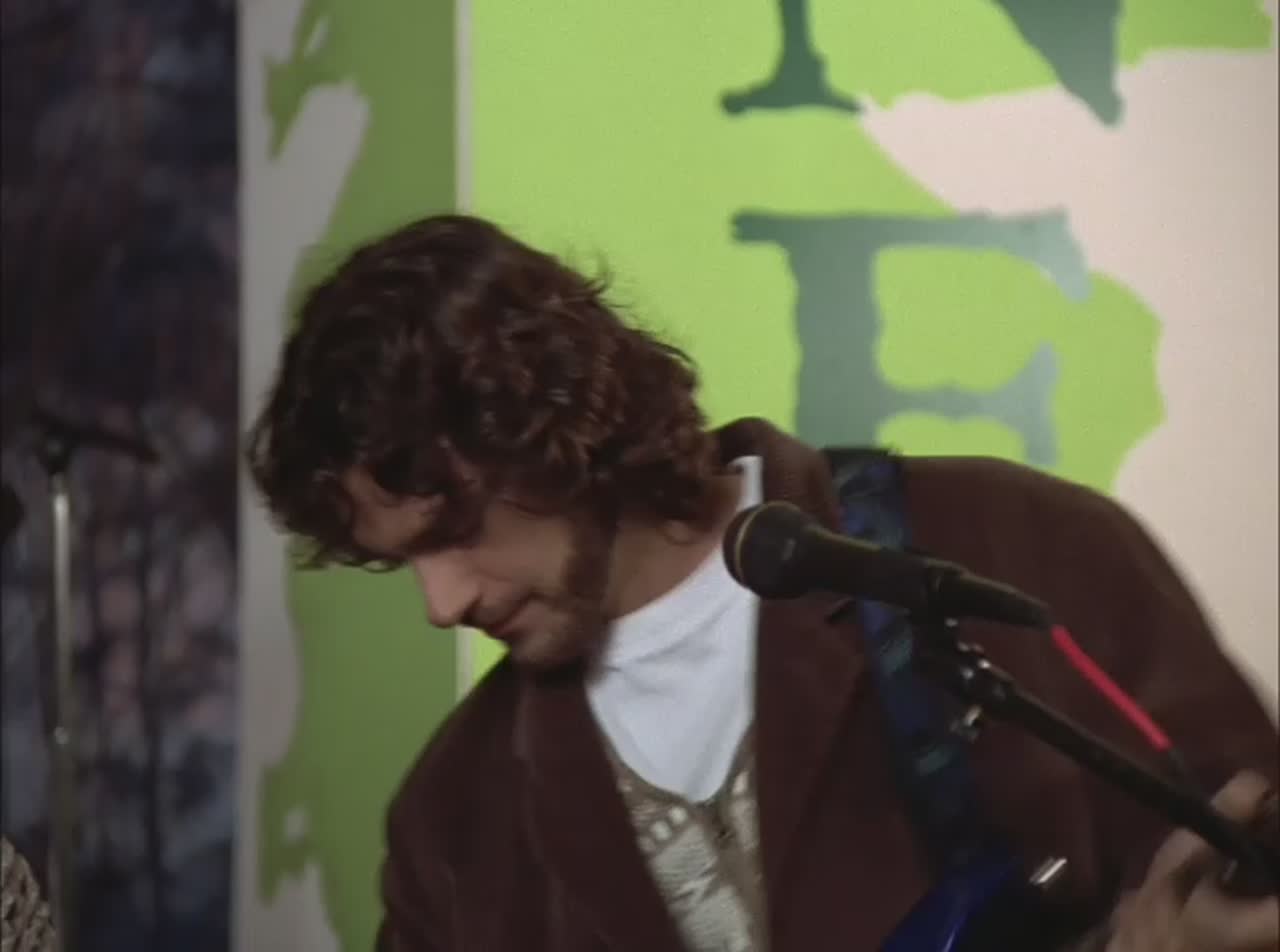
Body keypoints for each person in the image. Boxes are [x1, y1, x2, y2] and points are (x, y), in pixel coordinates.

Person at [246, 214, 1278, 952]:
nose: (441, 604)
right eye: (402, 562)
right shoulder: (448, 824)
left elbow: (1245, 851)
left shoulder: (1024, 547)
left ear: (550, 427)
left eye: (455, 531)